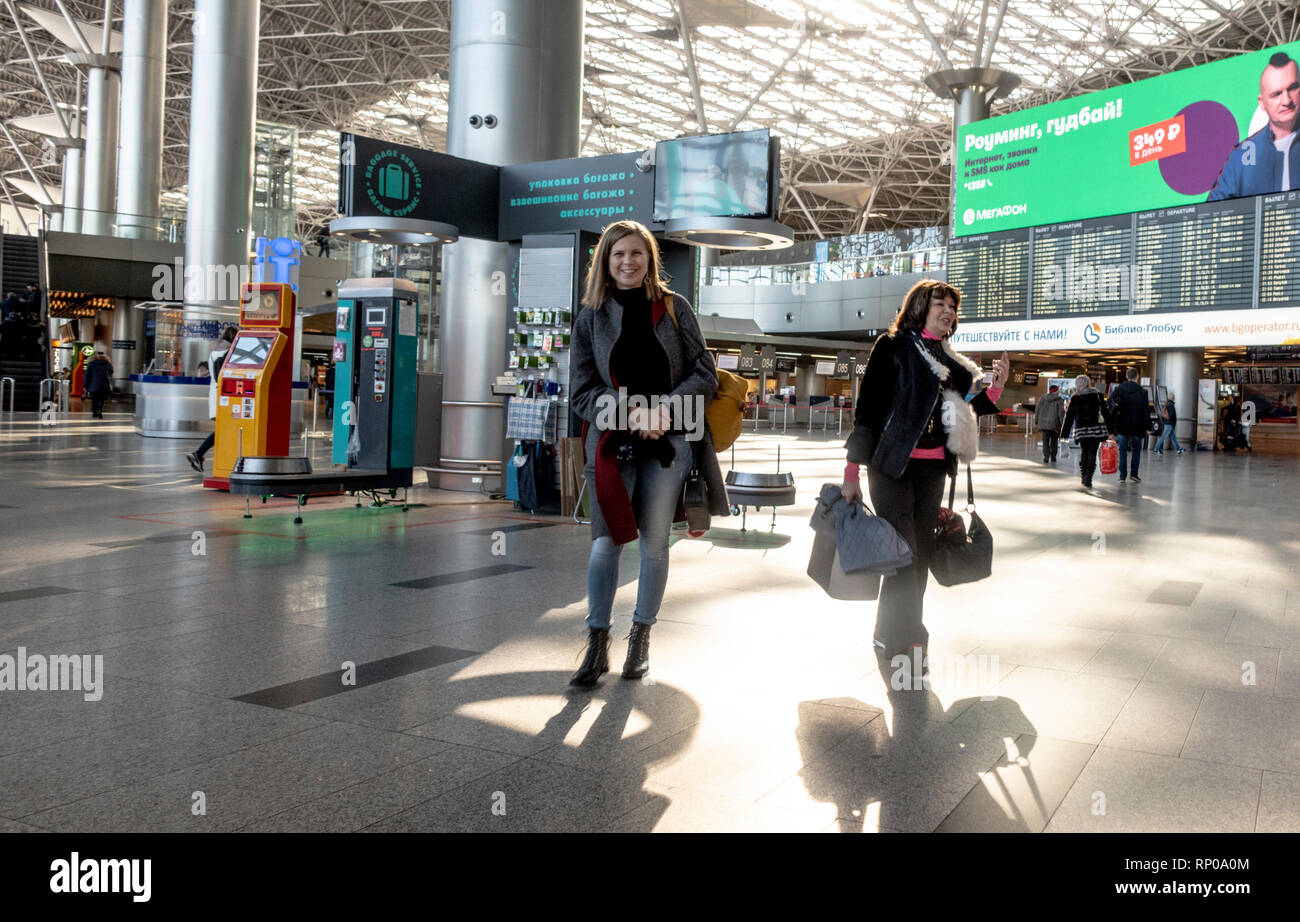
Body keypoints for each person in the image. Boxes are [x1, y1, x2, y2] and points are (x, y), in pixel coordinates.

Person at [568, 220, 727, 686]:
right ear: (605, 261)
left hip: (671, 442)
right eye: (618, 255)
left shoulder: (674, 308)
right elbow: (581, 391)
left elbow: (705, 373)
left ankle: (640, 638)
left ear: (650, 259)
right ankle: (597, 642)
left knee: (655, 544)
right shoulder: (590, 318)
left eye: (636, 253)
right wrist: (631, 413)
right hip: (614, 444)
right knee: (606, 542)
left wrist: (664, 411)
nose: (628, 262)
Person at [841, 280, 1009, 661]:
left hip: (933, 472)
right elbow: (867, 412)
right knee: (903, 553)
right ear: (920, 306)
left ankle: (897, 632)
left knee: (918, 553)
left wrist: (995, 390)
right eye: (940, 303)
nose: (948, 311)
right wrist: (852, 472)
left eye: (953, 306)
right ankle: (904, 633)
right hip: (891, 467)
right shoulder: (893, 348)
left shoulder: (955, 366)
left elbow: (962, 412)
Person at [1208, 52, 1300, 201]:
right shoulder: (1241, 155)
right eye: (1276, 94)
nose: (1286, 100)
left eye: (1292, 88)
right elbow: (1213, 211)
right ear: (1262, 102)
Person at [186, 326, 238, 472]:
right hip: (227, 396)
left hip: (215, 396)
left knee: (223, 430)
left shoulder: (213, 352)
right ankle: (199, 453)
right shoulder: (230, 352)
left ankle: (200, 454)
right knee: (226, 430)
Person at [1059, 374, 1114, 489]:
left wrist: (1064, 434)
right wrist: (1111, 430)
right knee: (1092, 453)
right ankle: (1088, 477)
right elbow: (1105, 413)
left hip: (1082, 431)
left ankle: (1084, 476)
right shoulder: (1098, 395)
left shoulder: (1076, 397)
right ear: (1088, 383)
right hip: (1096, 430)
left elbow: (1069, 417)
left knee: (1084, 452)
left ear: (1078, 385)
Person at [1108, 367, 1150, 483]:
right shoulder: (1142, 392)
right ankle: (1134, 474)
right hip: (1138, 425)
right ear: (1137, 377)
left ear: (1126, 376)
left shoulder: (1119, 389)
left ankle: (1122, 476)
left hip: (1122, 425)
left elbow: (1110, 407)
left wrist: (1110, 427)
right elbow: (1145, 411)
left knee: (1122, 450)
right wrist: (1148, 427)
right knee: (1136, 450)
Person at [1034, 384, 1066, 463]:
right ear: (1056, 391)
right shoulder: (1059, 400)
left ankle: (1046, 457)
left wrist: (1036, 421)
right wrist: (1063, 424)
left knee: (1045, 441)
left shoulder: (1042, 398)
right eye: (1058, 390)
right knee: (1054, 441)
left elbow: (1037, 410)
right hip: (1055, 424)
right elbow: (1061, 413)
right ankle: (1053, 457)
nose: (1059, 391)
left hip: (1044, 424)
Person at [83, 351, 114, 418]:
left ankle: (94, 412)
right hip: (104, 384)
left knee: (94, 399)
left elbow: (87, 375)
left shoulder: (91, 364)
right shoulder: (107, 364)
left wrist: (85, 385)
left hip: (93, 384)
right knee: (102, 398)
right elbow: (111, 372)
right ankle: (99, 410)